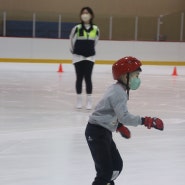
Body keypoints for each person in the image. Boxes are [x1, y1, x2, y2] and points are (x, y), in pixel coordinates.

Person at [85, 56, 164, 185]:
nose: (137, 80)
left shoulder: (117, 89)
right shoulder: (118, 93)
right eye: (135, 76)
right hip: (96, 133)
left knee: (116, 166)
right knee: (104, 173)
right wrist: (146, 121)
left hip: (103, 131)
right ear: (125, 76)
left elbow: (107, 111)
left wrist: (118, 126)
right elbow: (124, 116)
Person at [69, 7, 100, 109]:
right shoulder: (77, 28)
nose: (85, 14)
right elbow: (71, 40)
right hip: (77, 57)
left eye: (87, 13)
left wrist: (88, 50)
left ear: (91, 15)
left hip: (90, 57)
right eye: (83, 13)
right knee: (79, 78)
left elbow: (95, 41)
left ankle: (89, 101)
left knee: (88, 78)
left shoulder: (96, 29)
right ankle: (79, 100)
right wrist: (75, 51)